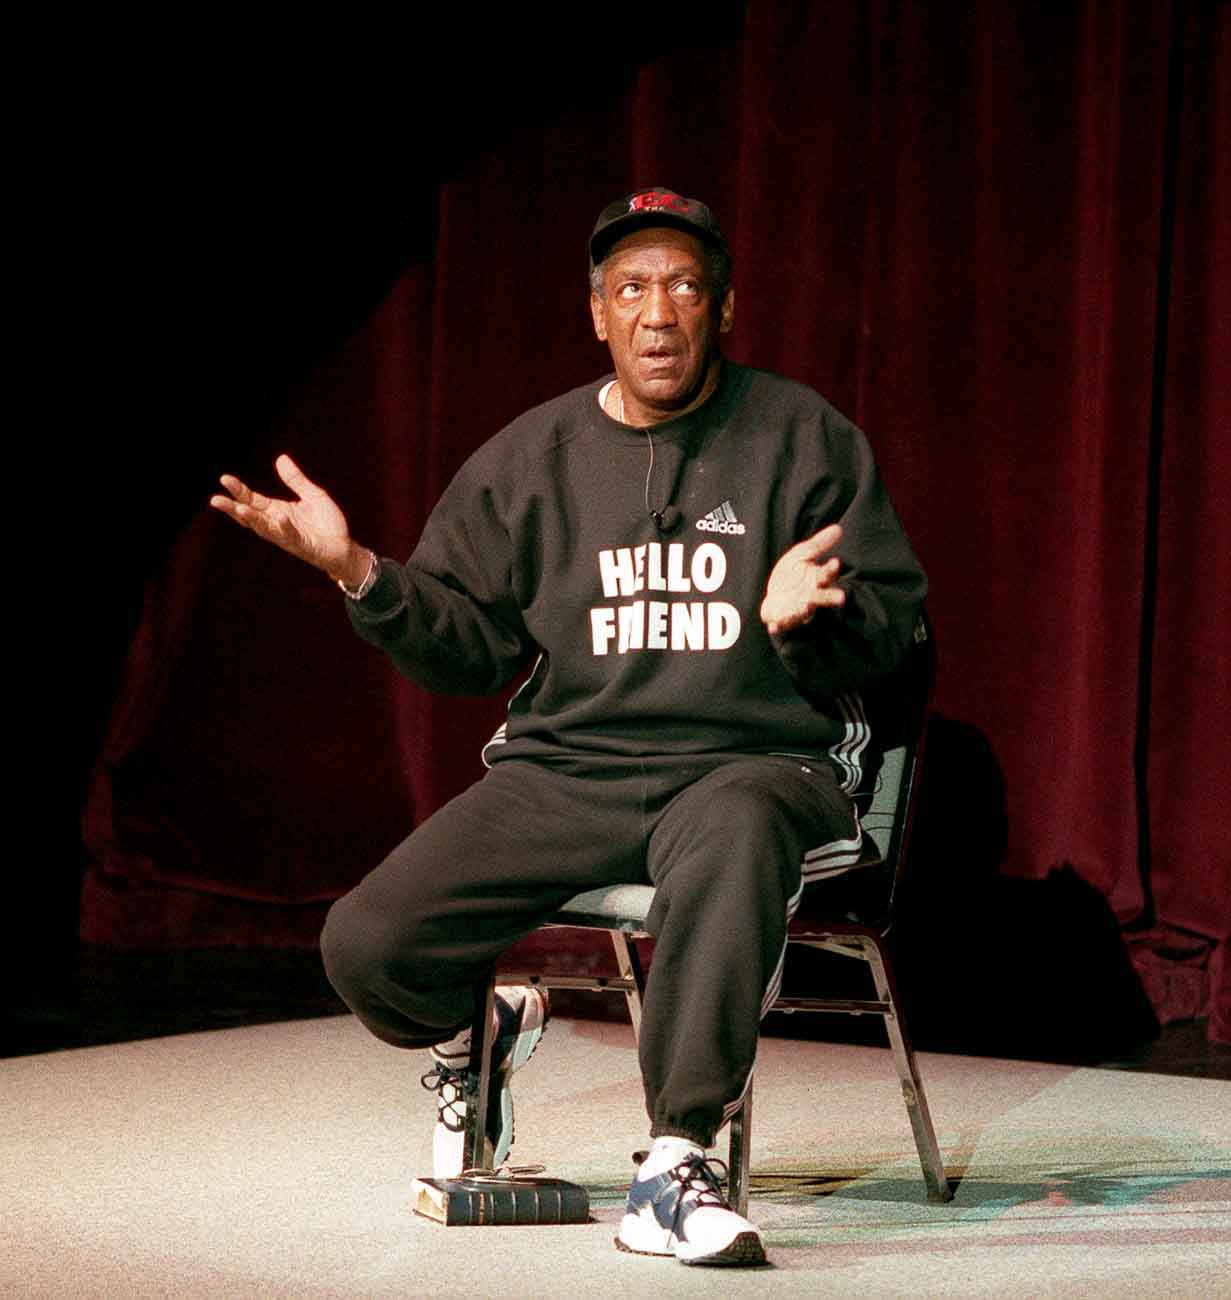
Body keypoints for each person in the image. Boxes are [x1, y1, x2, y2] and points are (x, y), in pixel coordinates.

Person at [210, 187, 927, 1267]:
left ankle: (675, 1161)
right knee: (366, 941)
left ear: (721, 310)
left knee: (733, 828)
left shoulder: (800, 436)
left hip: (749, 762)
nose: (657, 312)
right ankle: (475, 1037)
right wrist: (357, 572)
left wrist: (803, 622)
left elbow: (898, 630)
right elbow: (470, 646)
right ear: (598, 314)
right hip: (571, 770)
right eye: (631, 288)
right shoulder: (529, 458)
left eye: (684, 287)